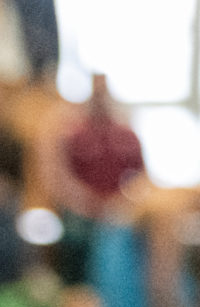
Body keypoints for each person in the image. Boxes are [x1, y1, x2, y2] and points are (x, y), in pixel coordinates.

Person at [54, 74, 145, 221]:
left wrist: (124, 199)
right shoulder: (72, 134)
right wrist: (85, 201)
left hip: (119, 209)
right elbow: (61, 174)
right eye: (96, 93)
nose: (100, 99)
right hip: (79, 210)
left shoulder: (127, 135)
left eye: (103, 93)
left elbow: (141, 175)